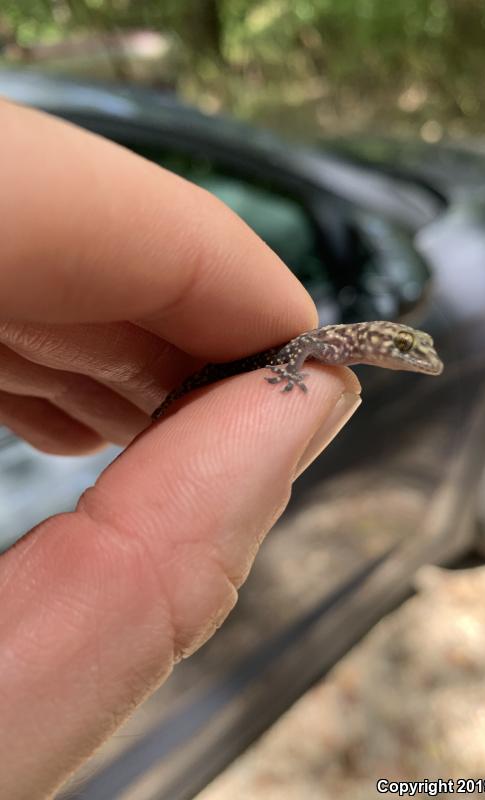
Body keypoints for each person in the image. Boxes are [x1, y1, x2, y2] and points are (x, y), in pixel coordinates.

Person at [0, 98, 361, 799]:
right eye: (410, 348)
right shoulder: (335, 343)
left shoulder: (340, 347)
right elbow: (306, 343)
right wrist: (286, 372)